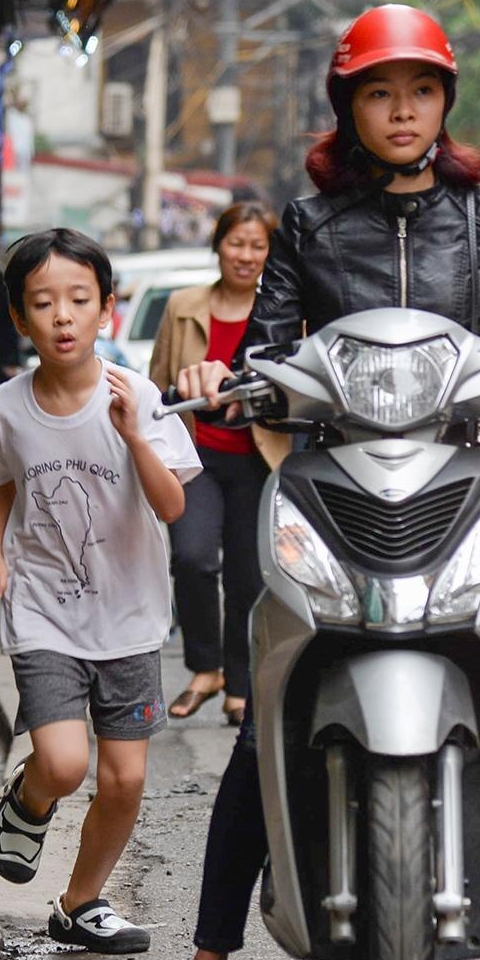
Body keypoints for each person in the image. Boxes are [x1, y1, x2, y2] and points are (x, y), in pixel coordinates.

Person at [137, 4, 480, 960]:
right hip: (334, 479)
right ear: (349, 107)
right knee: (268, 705)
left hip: (461, 476)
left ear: (444, 102)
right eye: (378, 91)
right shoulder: (310, 225)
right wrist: (221, 377)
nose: (400, 109)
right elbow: (266, 350)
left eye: (417, 91)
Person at [0, 228, 202, 954]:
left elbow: (172, 507)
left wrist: (134, 434)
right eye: (43, 303)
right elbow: (7, 482)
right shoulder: (6, 407)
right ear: (19, 317)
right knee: (66, 764)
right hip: (44, 609)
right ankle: (32, 799)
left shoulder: (139, 395)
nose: (62, 316)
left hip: (130, 616)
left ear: (106, 308)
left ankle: (79, 903)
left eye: (78, 300)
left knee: (124, 778)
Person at [149, 202, 290, 727]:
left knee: (249, 576)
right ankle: (203, 669)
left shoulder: (280, 313)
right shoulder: (184, 306)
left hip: (259, 457)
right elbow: (158, 381)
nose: (246, 256)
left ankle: (239, 681)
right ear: (218, 245)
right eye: (237, 243)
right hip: (195, 458)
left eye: (258, 246)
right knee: (192, 558)